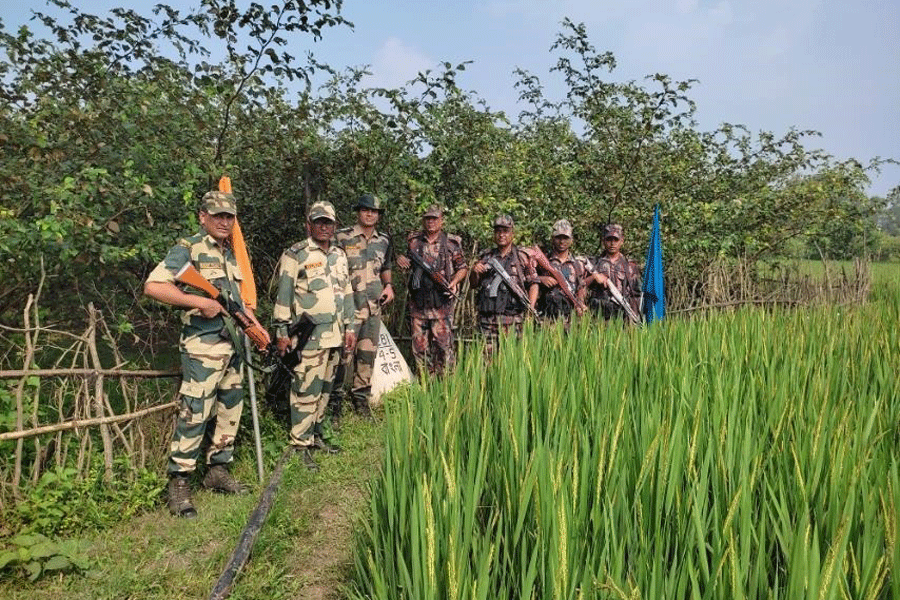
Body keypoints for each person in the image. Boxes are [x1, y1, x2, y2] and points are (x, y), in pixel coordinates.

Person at [144, 190, 264, 518]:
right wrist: (200, 301)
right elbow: (154, 286)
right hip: (203, 347)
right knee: (195, 411)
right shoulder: (189, 249)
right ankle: (180, 481)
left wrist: (253, 326)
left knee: (230, 410)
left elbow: (238, 302)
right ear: (203, 216)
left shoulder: (233, 254)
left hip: (233, 346)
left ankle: (218, 470)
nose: (224, 221)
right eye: (217, 215)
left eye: (229, 217)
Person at [272, 200, 357, 472]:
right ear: (309, 224)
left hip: (335, 336)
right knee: (305, 390)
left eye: (328, 222)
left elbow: (347, 293)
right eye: (318, 221)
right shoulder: (296, 253)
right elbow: (284, 294)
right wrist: (281, 330)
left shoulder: (340, 255)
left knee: (325, 390)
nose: (324, 226)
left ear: (334, 225)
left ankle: (317, 435)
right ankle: (300, 444)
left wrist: (351, 327)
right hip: (309, 337)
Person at [330, 194, 394, 421]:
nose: (370, 214)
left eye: (374, 211)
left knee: (367, 355)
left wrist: (388, 286)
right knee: (342, 356)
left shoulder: (383, 240)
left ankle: (361, 400)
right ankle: (334, 403)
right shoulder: (342, 237)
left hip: (374, 306)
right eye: (366, 210)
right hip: (349, 308)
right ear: (359, 212)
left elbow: (386, 266)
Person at [396, 204, 467, 376]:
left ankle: (446, 387)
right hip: (418, 306)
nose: (431, 222)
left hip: (441, 306)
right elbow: (406, 262)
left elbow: (463, 268)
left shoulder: (451, 243)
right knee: (420, 350)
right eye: (428, 218)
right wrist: (401, 260)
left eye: (434, 218)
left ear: (441, 220)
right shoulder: (414, 241)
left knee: (444, 349)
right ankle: (424, 386)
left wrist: (454, 282)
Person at [470, 214, 538, 357]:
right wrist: (475, 271)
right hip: (488, 321)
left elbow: (534, 283)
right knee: (486, 363)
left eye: (505, 231)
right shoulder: (486, 256)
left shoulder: (522, 257)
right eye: (498, 231)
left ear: (512, 233)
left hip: (513, 320)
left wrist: (531, 307)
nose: (501, 235)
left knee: (511, 361)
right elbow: (474, 284)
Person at [535, 219, 597, 325]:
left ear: (571, 240)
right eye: (558, 238)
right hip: (548, 318)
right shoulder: (542, 261)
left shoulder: (579, 263)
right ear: (552, 239)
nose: (562, 241)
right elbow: (526, 279)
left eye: (565, 238)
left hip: (572, 318)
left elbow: (582, 286)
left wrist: (580, 302)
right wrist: (541, 279)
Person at [588, 223, 642, 322]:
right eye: (609, 240)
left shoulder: (630, 266)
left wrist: (633, 319)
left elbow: (636, 295)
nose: (612, 243)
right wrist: (594, 277)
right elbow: (580, 286)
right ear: (603, 241)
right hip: (599, 317)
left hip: (622, 316)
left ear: (622, 241)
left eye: (616, 240)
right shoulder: (594, 263)